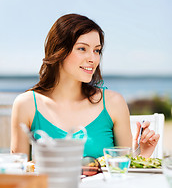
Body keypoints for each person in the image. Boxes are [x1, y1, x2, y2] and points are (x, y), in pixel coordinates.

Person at [11, 13, 160, 160]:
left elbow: (122, 172)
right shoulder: (26, 104)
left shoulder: (114, 103)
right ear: (58, 50)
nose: (93, 59)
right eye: (82, 48)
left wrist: (142, 154)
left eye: (97, 50)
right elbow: (18, 174)